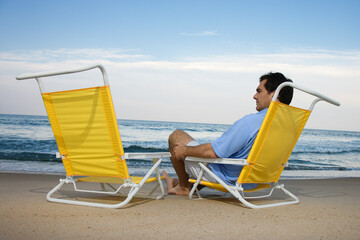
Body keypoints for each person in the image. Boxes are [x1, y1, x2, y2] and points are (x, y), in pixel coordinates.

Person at [162, 72, 294, 195]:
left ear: (274, 94)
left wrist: (184, 150)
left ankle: (183, 187)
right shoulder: (289, 126)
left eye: (259, 91)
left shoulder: (252, 122)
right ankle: (177, 182)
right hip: (255, 180)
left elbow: (213, 152)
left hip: (228, 179)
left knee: (177, 136)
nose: (254, 96)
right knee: (220, 155)